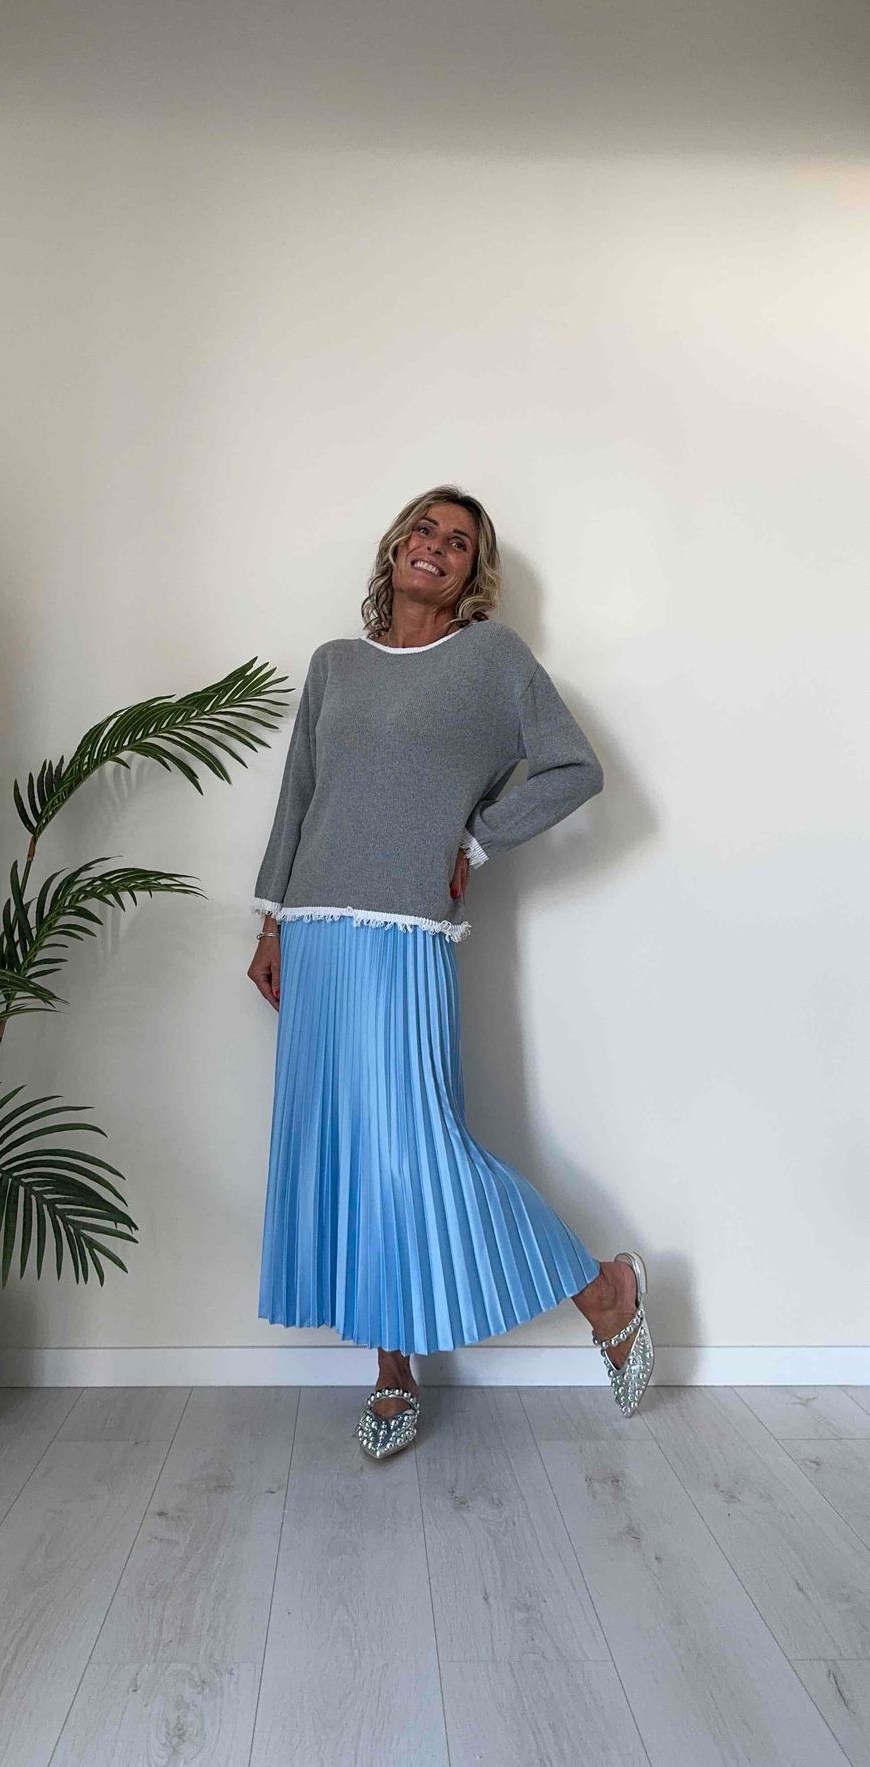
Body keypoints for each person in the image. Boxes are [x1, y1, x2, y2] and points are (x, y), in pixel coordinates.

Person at [247, 484, 654, 1459]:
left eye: (457, 541)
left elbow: (575, 768)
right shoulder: (335, 664)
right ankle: (391, 1372)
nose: (433, 545)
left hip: (404, 937)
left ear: (474, 571)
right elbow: (298, 796)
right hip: (314, 933)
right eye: (423, 529)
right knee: (350, 1160)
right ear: (395, 545)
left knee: (417, 1154)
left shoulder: (489, 660)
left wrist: (475, 840)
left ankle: (604, 1291)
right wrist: (269, 923)